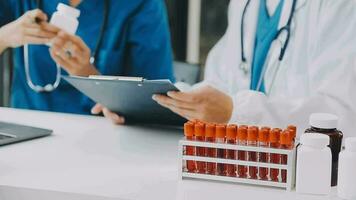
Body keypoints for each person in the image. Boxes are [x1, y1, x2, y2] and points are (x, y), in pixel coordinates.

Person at [102, 0, 356, 135]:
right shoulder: (245, 5)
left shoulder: (340, 6)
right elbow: (219, 86)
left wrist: (236, 112)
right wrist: (141, 104)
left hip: (312, 177)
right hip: (243, 165)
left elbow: (340, 113)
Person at [0, 0, 173, 121]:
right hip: (28, 126)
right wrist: (5, 36)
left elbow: (157, 101)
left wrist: (87, 74)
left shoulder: (141, 5)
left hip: (105, 137)